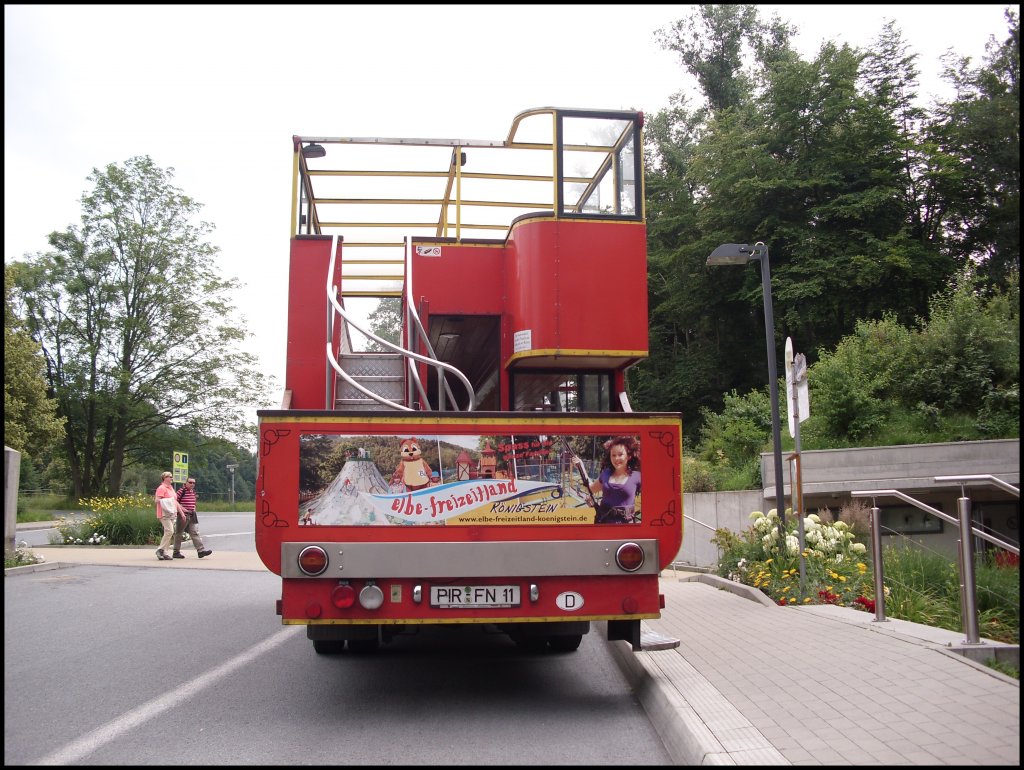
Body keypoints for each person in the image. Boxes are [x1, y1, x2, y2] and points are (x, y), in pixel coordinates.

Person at [577, 436, 641, 524]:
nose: (616, 458)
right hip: (602, 522)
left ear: (629, 456)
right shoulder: (606, 473)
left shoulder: (637, 477)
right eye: (613, 455)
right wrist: (581, 466)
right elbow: (591, 489)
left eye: (620, 454)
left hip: (626, 527)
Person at [172, 477, 213, 559]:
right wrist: (183, 510)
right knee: (179, 533)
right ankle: (176, 552)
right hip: (183, 515)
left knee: (194, 532)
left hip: (191, 515)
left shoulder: (192, 492)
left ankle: (200, 551)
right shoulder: (181, 491)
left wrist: (194, 509)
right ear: (186, 483)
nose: (192, 484)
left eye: (193, 483)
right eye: (190, 482)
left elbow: (194, 502)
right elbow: (175, 502)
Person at [154, 471, 186, 561]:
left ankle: (164, 553)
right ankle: (160, 550)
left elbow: (175, 502)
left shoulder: (171, 488)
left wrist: (182, 512)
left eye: (172, 477)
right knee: (170, 531)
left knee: (168, 533)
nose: (171, 478)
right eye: (169, 476)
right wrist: (167, 501)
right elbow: (157, 500)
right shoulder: (161, 488)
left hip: (171, 513)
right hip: (163, 513)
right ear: (164, 478)